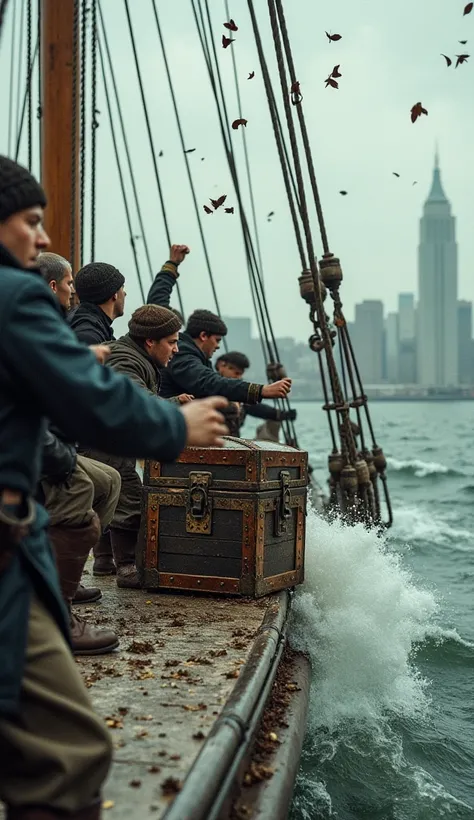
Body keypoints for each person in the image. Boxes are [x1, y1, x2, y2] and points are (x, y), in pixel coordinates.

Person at [0, 154, 228, 820]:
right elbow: (91, 405)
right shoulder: (15, 296)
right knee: (68, 756)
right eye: (32, 221)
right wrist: (178, 425)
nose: (43, 239)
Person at [82, 304, 193, 589]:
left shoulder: (131, 354)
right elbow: (130, 400)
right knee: (129, 493)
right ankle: (128, 568)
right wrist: (174, 405)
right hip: (100, 441)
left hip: (100, 437)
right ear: (150, 341)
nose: (176, 349)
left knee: (111, 492)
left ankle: (104, 559)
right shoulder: (127, 360)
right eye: (172, 342)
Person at [39, 252, 121, 580]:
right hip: (40, 444)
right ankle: (57, 591)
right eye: (69, 283)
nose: (73, 291)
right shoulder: (78, 329)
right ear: (53, 285)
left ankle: (69, 569)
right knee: (81, 487)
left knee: (109, 480)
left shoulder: (63, 323)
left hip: (55, 440)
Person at [147, 248, 292, 405]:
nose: (217, 346)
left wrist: (172, 264)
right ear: (203, 336)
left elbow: (157, 302)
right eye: (217, 340)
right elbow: (208, 382)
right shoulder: (182, 355)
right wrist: (261, 390)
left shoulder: (188, 353)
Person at [215, 351, 297, 436]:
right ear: (222, 365)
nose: (239, 377)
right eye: (236, 373)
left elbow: (255, 408)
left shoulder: (237, 393)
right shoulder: (211, 388)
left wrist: (280, 414)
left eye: (240, 374)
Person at [67, 261, 126, 344]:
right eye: (122, 288)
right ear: (114, 294)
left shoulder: (79, 319)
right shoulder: (89, 337)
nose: (125, 293)